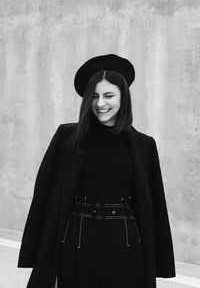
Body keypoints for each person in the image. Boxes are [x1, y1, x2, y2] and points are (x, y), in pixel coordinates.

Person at [18, 54, 176, 288]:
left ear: (124, 97)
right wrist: (35, 250)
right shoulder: (67, 137)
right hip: (76, 241)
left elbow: (154, 205)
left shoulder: (144, 144)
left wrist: (160, 259)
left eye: (109, 95)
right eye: (94, 96)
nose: (100, 103)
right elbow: (44, 195)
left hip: (127, 243)